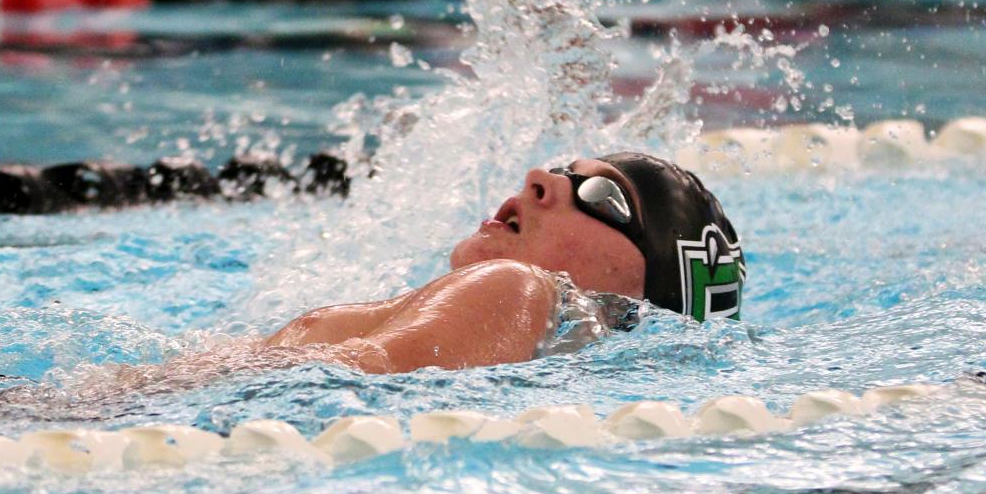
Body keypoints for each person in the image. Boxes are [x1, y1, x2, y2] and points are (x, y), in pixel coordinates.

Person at [263, 152, 744, 374]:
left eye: (601, 196)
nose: (540, 179)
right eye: (562, 171)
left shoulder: (515, 286)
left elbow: (339, 379)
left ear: (645, 288)